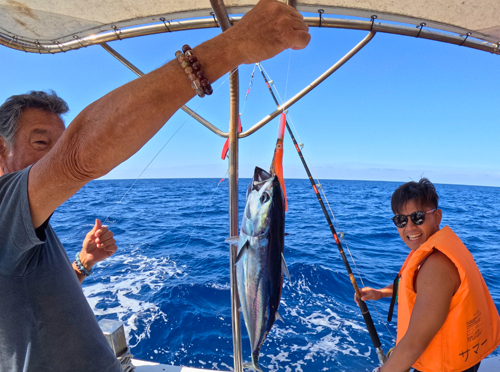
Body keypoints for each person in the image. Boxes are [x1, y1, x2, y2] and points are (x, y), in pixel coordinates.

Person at [0, 0, 311, 371]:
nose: (52, 158)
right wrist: (233, 46)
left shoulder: (26, 226)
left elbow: (29, 302)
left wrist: (84, 262)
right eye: (40, 143)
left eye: (57, 144)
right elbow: (77, 157)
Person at [357, 178, 500, 372]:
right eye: (400, 220)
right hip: (463, 360)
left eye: (417, 217)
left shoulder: (436, 267)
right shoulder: (435, 251)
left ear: (437, 217)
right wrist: (381, 293)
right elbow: (421, 290)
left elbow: (415, 343)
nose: (409, 227)